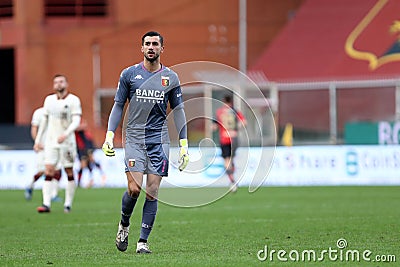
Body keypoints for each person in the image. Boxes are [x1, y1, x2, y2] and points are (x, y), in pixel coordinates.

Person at [102, 31, 189, 254]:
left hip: (158, 139)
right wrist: (110, 135)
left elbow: (178, 110)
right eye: (147, 44)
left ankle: (142, 242)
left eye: (155, 44)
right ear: (142, 48)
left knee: (152, 191)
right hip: (134, 138)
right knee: (134, 189)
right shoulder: (129, 75)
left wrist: (184, 143)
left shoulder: (171, 78)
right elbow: (119, 105)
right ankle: (124, 224)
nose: (151, 47)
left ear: (162, 49)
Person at [34, 74, 82, 213]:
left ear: (66, 84)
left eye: (61, 82)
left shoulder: (73, 100)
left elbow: (76, 121)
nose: (58, 84)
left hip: (67, 142)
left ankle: (67, 204)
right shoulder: (49, 100)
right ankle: (46, 204)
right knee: (49, 170)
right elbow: (44, 122)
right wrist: (38, 140)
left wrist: (66, 134)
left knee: (68, 171)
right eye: (56, 82)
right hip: (51, 142)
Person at [25, 107, 62, 202]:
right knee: (43, 171)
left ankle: (54, 195)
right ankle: (30, 186)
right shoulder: (38, 113)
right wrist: (37, 142)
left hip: (54, 146)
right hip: (43, 147)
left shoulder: (57, 112)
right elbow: (34, 128)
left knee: (57, 170)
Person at [214, 94, 246, 193]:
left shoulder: (219, 112)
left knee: (226, 160)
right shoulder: (235, 111)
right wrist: (237, 128)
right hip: (234, 137)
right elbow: (244, 122)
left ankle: (232, 180)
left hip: (224, 138)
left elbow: (214, 126)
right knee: (231, 159)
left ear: (223, 101)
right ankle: (232, 169)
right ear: (231, 102)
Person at [75, 120, 106, 188]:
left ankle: (102, 175)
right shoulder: (75, 130)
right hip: (80, 148)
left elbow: (83, 126)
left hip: (87, 146)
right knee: (84, 165)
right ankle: (86, 181)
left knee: (91, 161)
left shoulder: (84, 133)